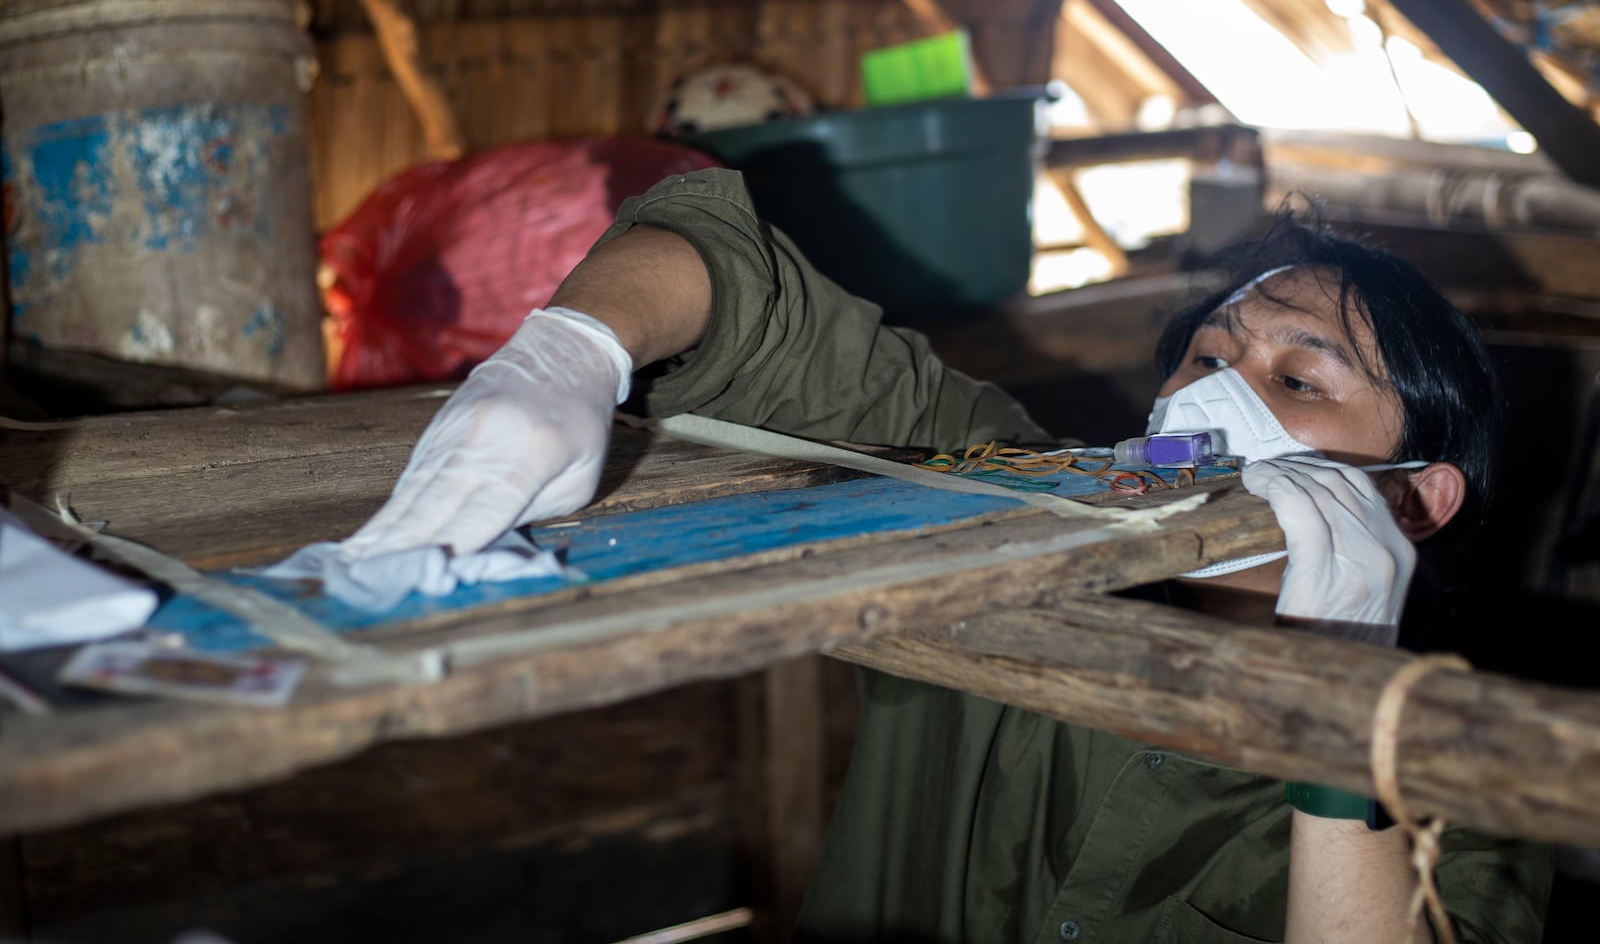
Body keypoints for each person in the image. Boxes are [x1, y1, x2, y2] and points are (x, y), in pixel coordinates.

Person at [342, 168, 1550, 942]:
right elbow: (730, 263)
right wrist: (567, 353)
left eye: (1297, 379)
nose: (1216, 402)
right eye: (1204, 359)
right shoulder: (991, 498)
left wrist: (1334, 710)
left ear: (1416, 502)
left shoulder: (1473, 791)